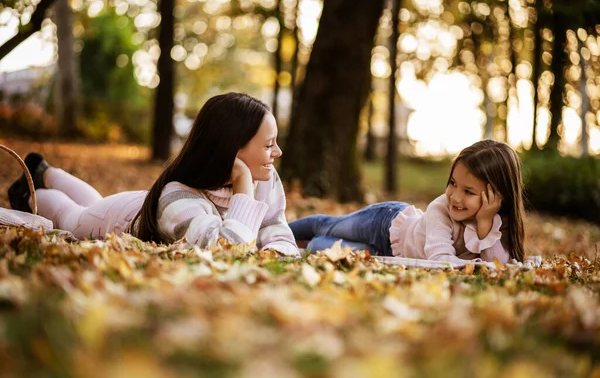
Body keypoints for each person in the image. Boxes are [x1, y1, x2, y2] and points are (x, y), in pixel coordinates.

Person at [8, 92, 300, 256]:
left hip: (129, 204)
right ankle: (30, 189)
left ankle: (46, 171)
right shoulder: (178, 196)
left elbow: (275, 227)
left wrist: (278, 252)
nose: (278, 153)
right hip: (115, 218)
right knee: (72, 216)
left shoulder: (266, 179)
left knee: (93, 201)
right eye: (268, 145)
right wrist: (242, 183)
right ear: (232, 149)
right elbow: (226, 250)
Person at [290, 140, 525, 264]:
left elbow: (498, 266)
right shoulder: (440, 209)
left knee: (318, 248)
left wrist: (484, 224)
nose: (455, 196)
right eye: (452, 182)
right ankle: (273, 230)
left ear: (496, 197)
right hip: (385, 222)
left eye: (468, 191)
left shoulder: (493, 222)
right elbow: (440, 259)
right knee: (327, 225)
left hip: (389, 254)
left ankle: (304, 243)